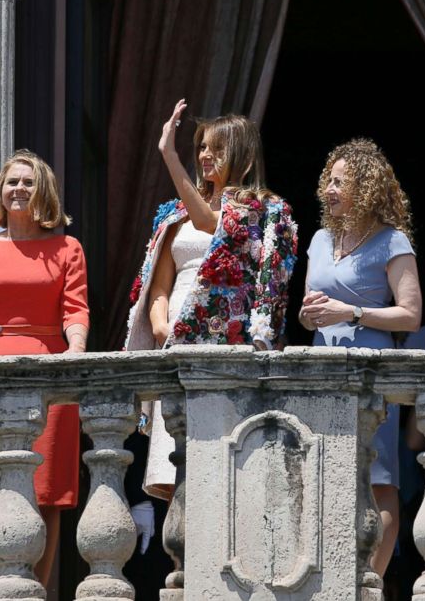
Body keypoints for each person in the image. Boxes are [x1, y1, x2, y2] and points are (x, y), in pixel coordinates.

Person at [124, 99, 298, 500]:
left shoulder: (264, 210)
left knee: (225, 473)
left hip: (227, 346)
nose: (204, 155)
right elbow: (159, 285)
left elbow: (209, 221)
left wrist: (168, 155)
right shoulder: (174, 214)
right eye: (200, 146)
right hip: (176, 343)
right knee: (179, 477)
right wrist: (160, 323)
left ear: (241, 153)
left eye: (215, 148)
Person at [0, 150, 89, 585]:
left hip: (50, 372)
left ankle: (38, 591)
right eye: (12, 182)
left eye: (28, 182)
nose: (19, 189)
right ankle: (4, 589)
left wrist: (76, 351)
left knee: (46, 491)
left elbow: (76, 310)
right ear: (0, 190)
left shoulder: (67, 246)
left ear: (43, 190)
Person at [298, 138, 421, 578]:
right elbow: (312, 309)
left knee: (378, 478)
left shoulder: (391, 241)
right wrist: (310, 316)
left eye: (339, 181)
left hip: (371, 371)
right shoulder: (318, 239)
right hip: (322, 371)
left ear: (366, 187)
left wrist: (349, 311)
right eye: (327, 180)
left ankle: (370, 580)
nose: (328, 189)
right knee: (326, 474)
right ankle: (332, 575)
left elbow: (410, 316)